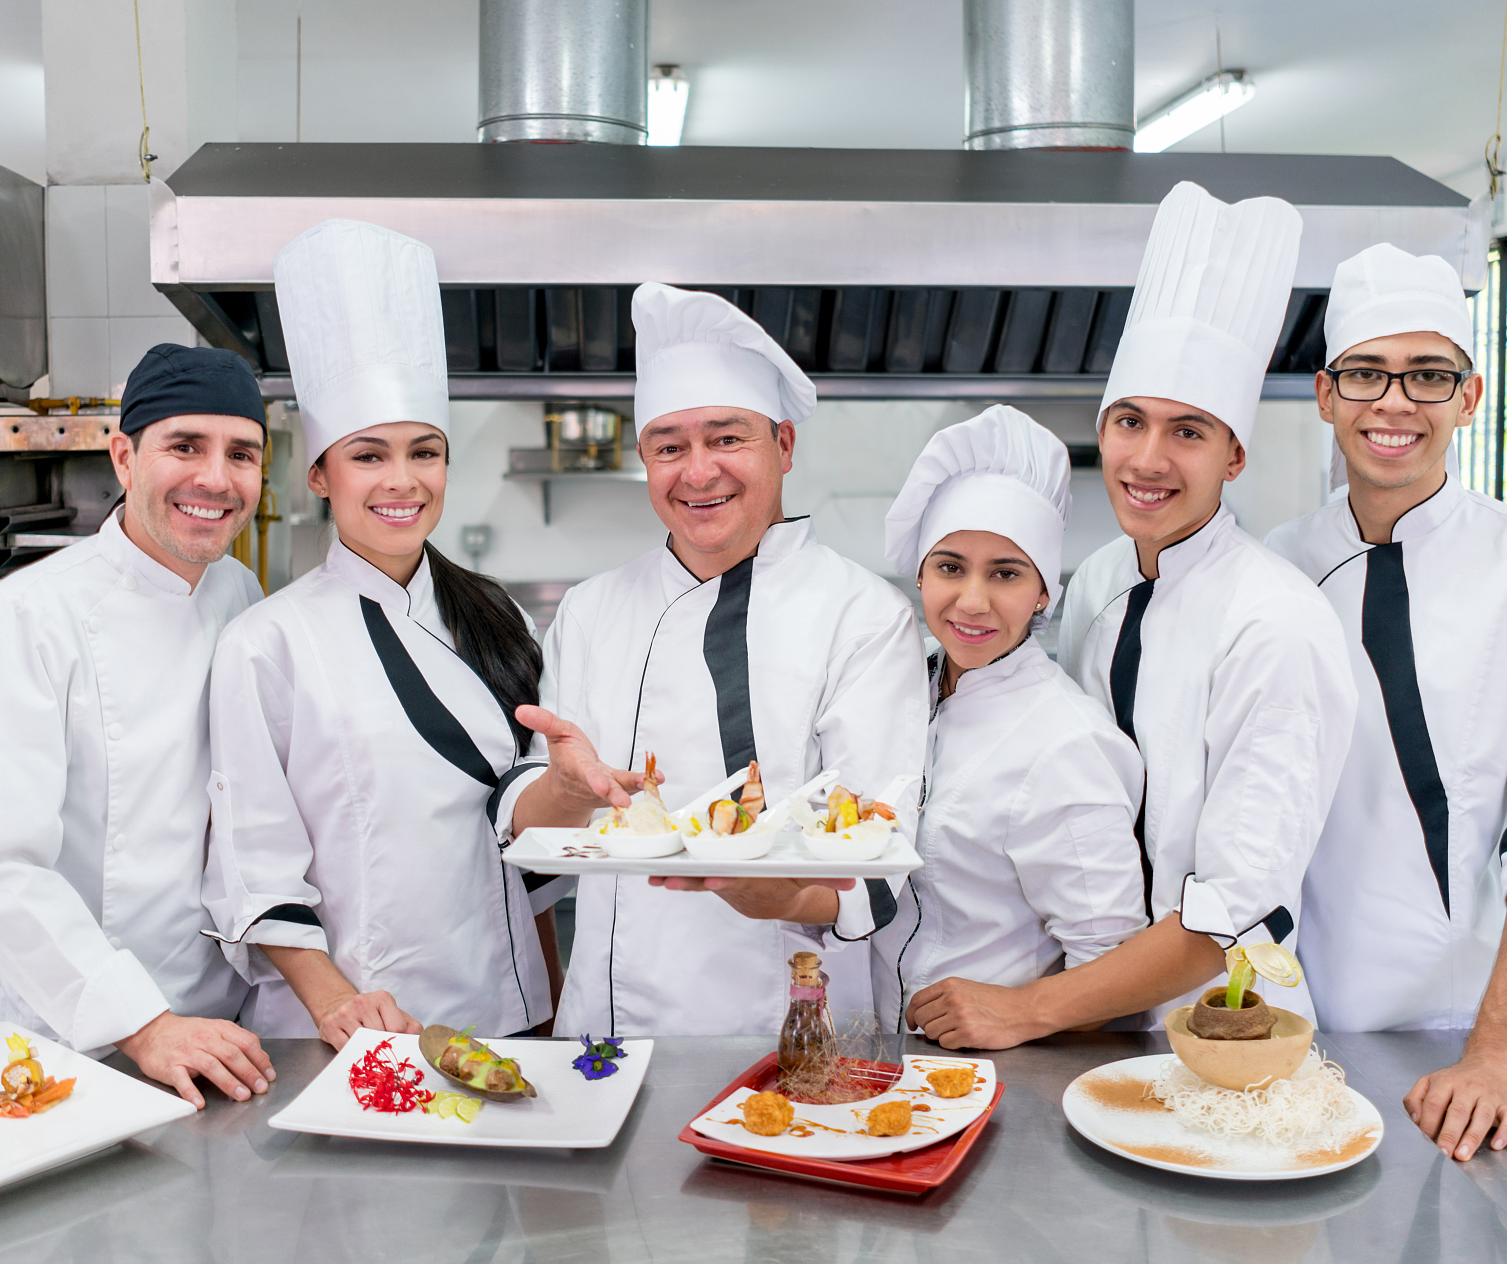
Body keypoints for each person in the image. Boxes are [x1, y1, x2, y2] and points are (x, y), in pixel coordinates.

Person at [918, 182, 1359, 1048]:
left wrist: (1026, 1007)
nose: (1148, 459)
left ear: (1234, 454)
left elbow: (1237, 905)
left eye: (1188, 432)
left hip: (1219, 1033)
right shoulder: (1100, 582)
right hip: (1091, 1023)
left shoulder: (1275, 623)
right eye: (1130, 423)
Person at [201, 220, 635, 1048]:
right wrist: (344, 1013)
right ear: (320, 475)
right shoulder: (267, 643)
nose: (402, 481)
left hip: (502, 1017)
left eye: (424, 452)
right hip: (355, 1029)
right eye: (368, 456)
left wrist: (540, 1012)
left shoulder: (490, 612)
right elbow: (254, 866)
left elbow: (518, 852)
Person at [1265, 243, 1507, 1162]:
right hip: (1298, 1032)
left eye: (1427, 376)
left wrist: (1495, 1054)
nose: (1394, 403)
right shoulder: (1267, 571)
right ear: (1326, 393)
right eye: (1367, 374)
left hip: (1471, 1037)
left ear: (1470, 396)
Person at [540, 281, 929, 1037]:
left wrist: (778, 895)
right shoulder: (590, 611)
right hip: (602, 1024)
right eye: (669, 447)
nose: (697, 471)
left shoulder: (862, 617)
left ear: (783, 445)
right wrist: (558, 788)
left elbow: (884, 856)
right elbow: (558, 824)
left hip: (787, 1026)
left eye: (726, 438)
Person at [0, 343, 276, 1109]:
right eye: (184, 446)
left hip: (224, 1029)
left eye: (242, 453)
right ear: (123, 457)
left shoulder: (238, 590)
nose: (215, 479)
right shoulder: (27, 619)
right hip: (81, 1038)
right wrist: (143, 1024)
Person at [877, 405, 1148, 1043]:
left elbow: (1109, 958)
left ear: (1043, 592)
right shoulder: (895, 687)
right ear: (919, 573)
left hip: (992, 1070)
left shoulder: (1064, 741)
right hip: (880, 1053)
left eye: (1006, 573)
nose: (972, 601)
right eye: (950, 567)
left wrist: (1023, 1021)